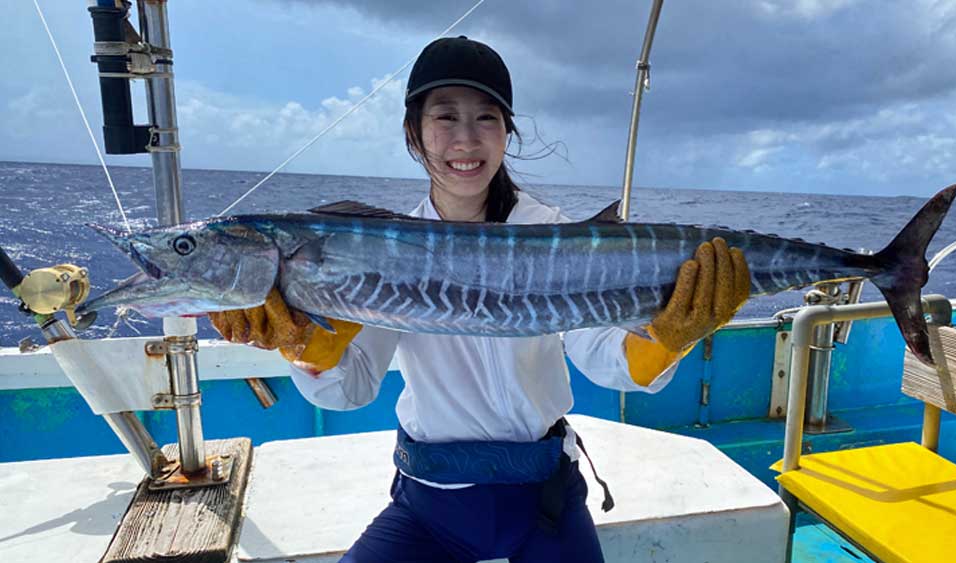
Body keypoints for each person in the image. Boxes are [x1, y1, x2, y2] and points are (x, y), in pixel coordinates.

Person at [210, 36, 750, 563]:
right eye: (445, 117)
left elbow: (608, 359)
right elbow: (349, 389)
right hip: (430, 506)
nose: (466, 140)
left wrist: (667, 338)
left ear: (506, 132)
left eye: (486, 118)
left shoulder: (557, 236)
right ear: (414, 132)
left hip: (545, 501)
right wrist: (306, 343)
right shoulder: (374, 248)